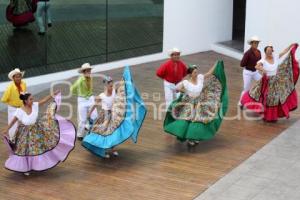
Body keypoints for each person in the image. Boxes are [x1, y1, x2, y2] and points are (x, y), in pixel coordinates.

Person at [1, 91, 76, 175]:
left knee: (37, 148)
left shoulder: (35, 106)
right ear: (25, 101)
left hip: (36, 131)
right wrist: (6, 129)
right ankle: (25, 168)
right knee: (25, 150)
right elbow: (13, 121)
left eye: (32, 99)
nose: (32, 100)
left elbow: (44, 101)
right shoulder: (20, 111)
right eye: (30, 99)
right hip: (24, 133)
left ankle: (36, 164)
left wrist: (52, 94)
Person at [82, 66, 147, 158]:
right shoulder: (101, 96)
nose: (111, 85)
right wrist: (89, 113)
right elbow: (95, 105)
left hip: (114, 115)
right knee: (104, 132)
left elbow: (123, 90)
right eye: (109, 84)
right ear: (105, 85)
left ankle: (112, 149)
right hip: (104, 116)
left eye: (112, 83)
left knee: (114, 132)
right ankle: (104, 150)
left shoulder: (114, 92)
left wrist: (126, 78)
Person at [163, 61, 228, 146]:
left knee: (199, 120)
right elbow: (177, 88)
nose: (196, 74)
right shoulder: (186, 83)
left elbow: (209, 73)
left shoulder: (200, 78)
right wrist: (186, 92)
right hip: (189, 104)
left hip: (200, 103)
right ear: (190, 74)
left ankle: (195, 137)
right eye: (194, 72)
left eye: (197, 72)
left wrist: (216, 64)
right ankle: (190, 138)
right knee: (189, 121)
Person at [241, 43, 299, 121]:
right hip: (267, 82)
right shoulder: (263, 60)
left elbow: (285, 51)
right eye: (267, 51)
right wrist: (262, 69)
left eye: (270, 50)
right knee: (266, 97)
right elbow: (257, 66)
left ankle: (272, 116)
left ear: (272, 50)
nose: (269, 52)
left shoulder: (275, 57)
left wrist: (291, 46)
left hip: (276, 81)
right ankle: (266, 114)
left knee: (275, 98)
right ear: (265, 52)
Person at [70, 63, 98, 141]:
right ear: (84, 72)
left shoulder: (90, 78)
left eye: (90, 70)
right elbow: (72, 89)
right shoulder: (79, 80)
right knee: (82, 119)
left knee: (95, 115)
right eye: (88, 70)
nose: (90, 72)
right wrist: (79, 94)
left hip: (90, 98)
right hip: (82, 100)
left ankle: (88, 126)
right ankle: (80, 135)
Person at [1, 68, 27, 141]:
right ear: (13, 78)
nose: (18, 78)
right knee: (13, 126)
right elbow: (3, 99)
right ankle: (13, 140)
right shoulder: (10, 87)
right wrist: (12, 102)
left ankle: (23, 139)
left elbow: (24, 94)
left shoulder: (23, 83)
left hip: (22, 107)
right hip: (13, 108)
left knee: (25, 122)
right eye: (16, 76)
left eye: (19, 76)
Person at [238, 36, 262, 108]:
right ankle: (241, 103)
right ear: (251, 44)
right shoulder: (247, 53)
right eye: (255, 43)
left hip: (255, 72)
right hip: (247, 73)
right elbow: (242, 64)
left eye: (257, 43)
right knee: (246, 88)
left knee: (262, 82)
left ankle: (259, 100)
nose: (256, 44)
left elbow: (260, 62)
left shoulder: (258, 52)